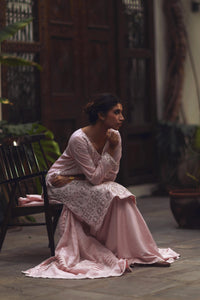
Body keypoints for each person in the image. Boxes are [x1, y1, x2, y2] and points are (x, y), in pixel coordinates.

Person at [23, 93, 179, 279]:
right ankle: (118, 248)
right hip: (58, 183)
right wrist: (110, 152)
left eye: (122, 112)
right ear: (101, 115)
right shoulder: (78, 139)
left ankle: (135, 249)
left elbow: (110, 176)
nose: (122, 117)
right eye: (117, 112)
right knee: (107, 192)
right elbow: (96, 180)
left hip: (76, 179)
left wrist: (107, 153)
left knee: (117, 191)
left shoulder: (115, 137)